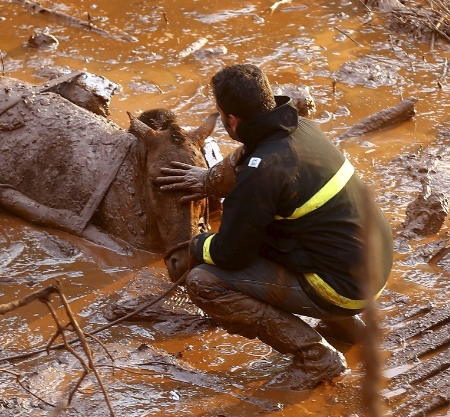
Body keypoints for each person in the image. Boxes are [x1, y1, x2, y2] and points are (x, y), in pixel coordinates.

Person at [155, 64, 393, 391]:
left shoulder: (261, 172)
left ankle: (314, 355)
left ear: (231, 120)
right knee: (301, 232)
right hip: (373, 267)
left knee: (204, 280)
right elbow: (245, 158)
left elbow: (230, 254)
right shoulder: (301, 130)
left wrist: (195, 246)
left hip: (341, 287)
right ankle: (349, 328)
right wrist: (208, 180)